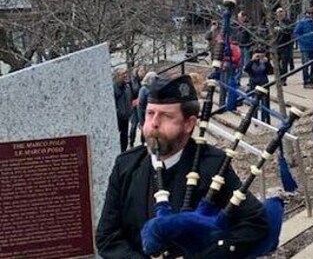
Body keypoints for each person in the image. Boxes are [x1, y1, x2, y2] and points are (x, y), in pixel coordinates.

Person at [96, 75, 270, 257]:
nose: (153, 123)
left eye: (165, 116)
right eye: (150, 113)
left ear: (189, 124)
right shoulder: (126, 165)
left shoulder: (213, 164)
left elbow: (256, 223)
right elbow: (107, 237)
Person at [244, 49, 274, 123]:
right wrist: (252, 60)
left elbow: (271, 71)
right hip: (254, 84)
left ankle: (266, 120)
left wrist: (267, 62)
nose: (259, 57)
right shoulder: (252, 62)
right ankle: (255, 119)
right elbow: (246, 69)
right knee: (254, 103)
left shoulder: (264, 62)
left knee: (265, 103)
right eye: (258, 55)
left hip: (264, 83)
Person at [294, 10, 313, 89]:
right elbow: (296, 33)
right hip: (305, 47)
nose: (310, 15)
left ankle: (312, 81)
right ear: (305, 14)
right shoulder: (302, 23)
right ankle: (306, 81)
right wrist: (302, 40)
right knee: (305, 65)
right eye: (309, 13)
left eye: (311, 13)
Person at [113, 68, 133, 153]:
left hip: (126, 116)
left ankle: (124, 152)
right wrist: (118, 112)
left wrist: (130, 111)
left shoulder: (127, 87)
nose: (125, 75)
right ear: (117, 76)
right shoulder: (114, 88)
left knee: (124, 136)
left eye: (126, 73)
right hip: (118, 117)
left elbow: (130, 99)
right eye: (123, 74)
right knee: (118, 136)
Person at [273, 8, 295, 85]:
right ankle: (279, 77)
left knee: (284, 63)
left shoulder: (288, 22)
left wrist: (282, 28)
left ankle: (283, 79)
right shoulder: (274, 22)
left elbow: (290, 30)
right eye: (278, 13)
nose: (280, 14)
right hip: (276, 45)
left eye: (281, 12)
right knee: (277, 63)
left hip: (286, 45)